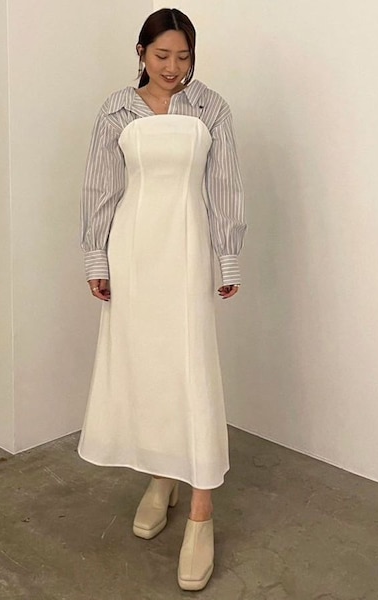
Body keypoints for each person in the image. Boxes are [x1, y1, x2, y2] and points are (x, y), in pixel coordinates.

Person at [78, 7, 246, 592]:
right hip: (132, 251)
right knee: (147, 367)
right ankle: (161, 475)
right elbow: (101, 187)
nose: (173, 67)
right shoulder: (115, 110)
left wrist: (228, 255)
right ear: (141, 53)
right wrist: (97, 257)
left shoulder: (212, 108)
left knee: (190, 370)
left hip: (187, 248)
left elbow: (224, 186)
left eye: (183, 56)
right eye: (161, 55)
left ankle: (201, 513)